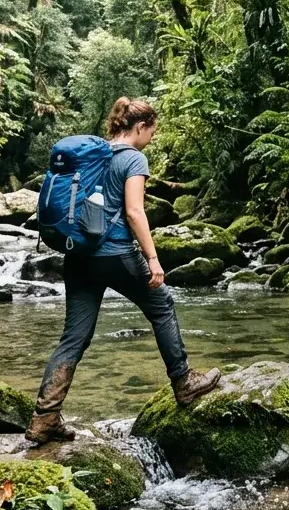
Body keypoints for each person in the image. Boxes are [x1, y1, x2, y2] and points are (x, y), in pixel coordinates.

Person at [26, 98, 222, 444]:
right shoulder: (133, 157)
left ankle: (45, 417)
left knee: (74, 337)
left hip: (79, 256)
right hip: (114, 253)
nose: (151, 139)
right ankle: (184, 382)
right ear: (140, 127)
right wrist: (153, 258)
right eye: (152, 132)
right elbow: (134, 212)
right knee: (161, 306)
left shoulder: (93, 157)